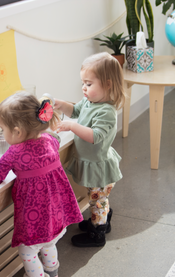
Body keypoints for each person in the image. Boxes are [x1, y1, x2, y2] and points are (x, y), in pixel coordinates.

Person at [0, 91, 83, 277]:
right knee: (49, 242)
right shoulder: (49, 140)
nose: (2, 132)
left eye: (2, 129)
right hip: (54, 210)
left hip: (34, 215)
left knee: (27, 250)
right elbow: (51, 141)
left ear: (16, 132)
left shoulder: (14, 152)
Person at [54, 52, 125, 248]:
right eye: (83, 83)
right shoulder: (90, 101)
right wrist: (62, 106)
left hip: (99, 167)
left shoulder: (106, 111)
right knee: (97, 199)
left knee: (98, 200)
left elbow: (95, 136)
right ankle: (102, 220)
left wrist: (71, 126)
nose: (84, 88)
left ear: (108, 84)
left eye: (89, 84)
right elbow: (76, 111)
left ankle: (97, 234)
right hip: (92, 163)